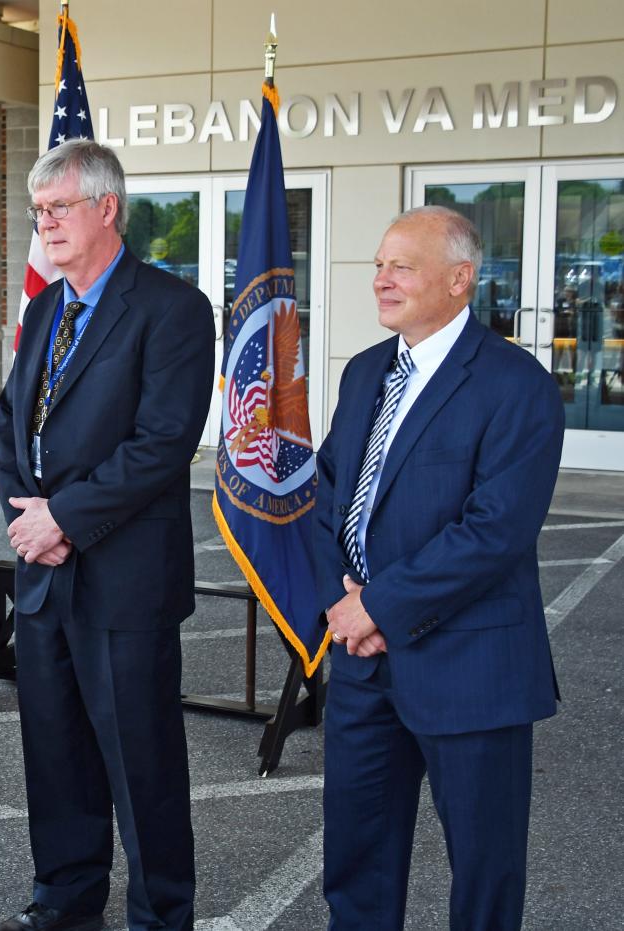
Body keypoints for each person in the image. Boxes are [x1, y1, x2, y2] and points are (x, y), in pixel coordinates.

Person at [313, 206, 564, 931]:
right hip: (363, 663)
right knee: (357, 859)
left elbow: (495, 531)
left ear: (460, 279)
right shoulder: (365, 373)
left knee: (484, 873)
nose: (381, 281)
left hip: (471, 665)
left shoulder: (516, 385)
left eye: (402, 266)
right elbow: (333, 490)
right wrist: (347, 597)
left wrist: (379, 606)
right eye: (379, 265)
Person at [0, 139, 215, 931]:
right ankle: (64, 894)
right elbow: (11, 427)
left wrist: (66, 518)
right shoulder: (47, 307)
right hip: (47, 573)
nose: (43, 223)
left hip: (125, 580)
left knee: (141, 761)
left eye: (57, 208)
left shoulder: (173, 309)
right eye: (37, 211)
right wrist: (28, 522)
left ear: (107, 208)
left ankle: (160, 913)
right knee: (54, 752)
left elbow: (161, 442)